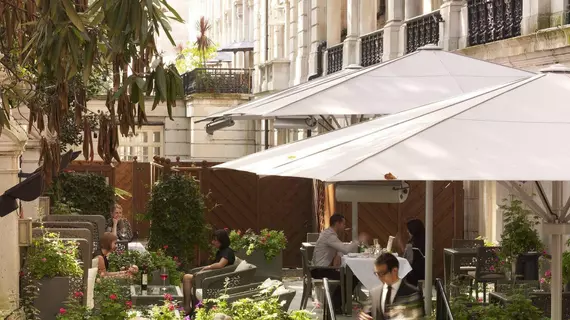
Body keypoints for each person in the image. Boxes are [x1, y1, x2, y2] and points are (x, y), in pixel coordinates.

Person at [312, 213, 369, 313]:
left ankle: (335, 304)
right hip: (320, 270)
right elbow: (346, 249)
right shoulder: (330, 235)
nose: (344, 226)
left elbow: (339, 247)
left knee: (349, 276)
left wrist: (338, 253)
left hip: (319, 268)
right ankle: (334, 306)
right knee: (351, 278)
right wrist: (358, 241)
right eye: (343, 224)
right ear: (337, 223)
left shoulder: (328, 233)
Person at [182, 229, 236, 314]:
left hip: (217, 280)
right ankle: (188, 307)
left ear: (222, 240)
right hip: (212, 277)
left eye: (215, 240)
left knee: (186, 278)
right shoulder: (222, 251)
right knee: (188, 277)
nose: (212, 242)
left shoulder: (228, 251)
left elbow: (220, 265)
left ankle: (187, 308)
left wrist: (207, 268)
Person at [359, 253, 424, 320]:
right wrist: (364, 316)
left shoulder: (412, 293)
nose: (379, 277)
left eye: (382, 274)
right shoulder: (374, 293)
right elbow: (366, 313)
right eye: (377, 274)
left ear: (394, 271)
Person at [401, 219, 426, 287]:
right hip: (425, 273)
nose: (407, 231)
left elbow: (406, 262)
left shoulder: (411, 245)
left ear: (413, 231)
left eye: (408, 229)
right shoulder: (427, 243)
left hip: (412, 277)